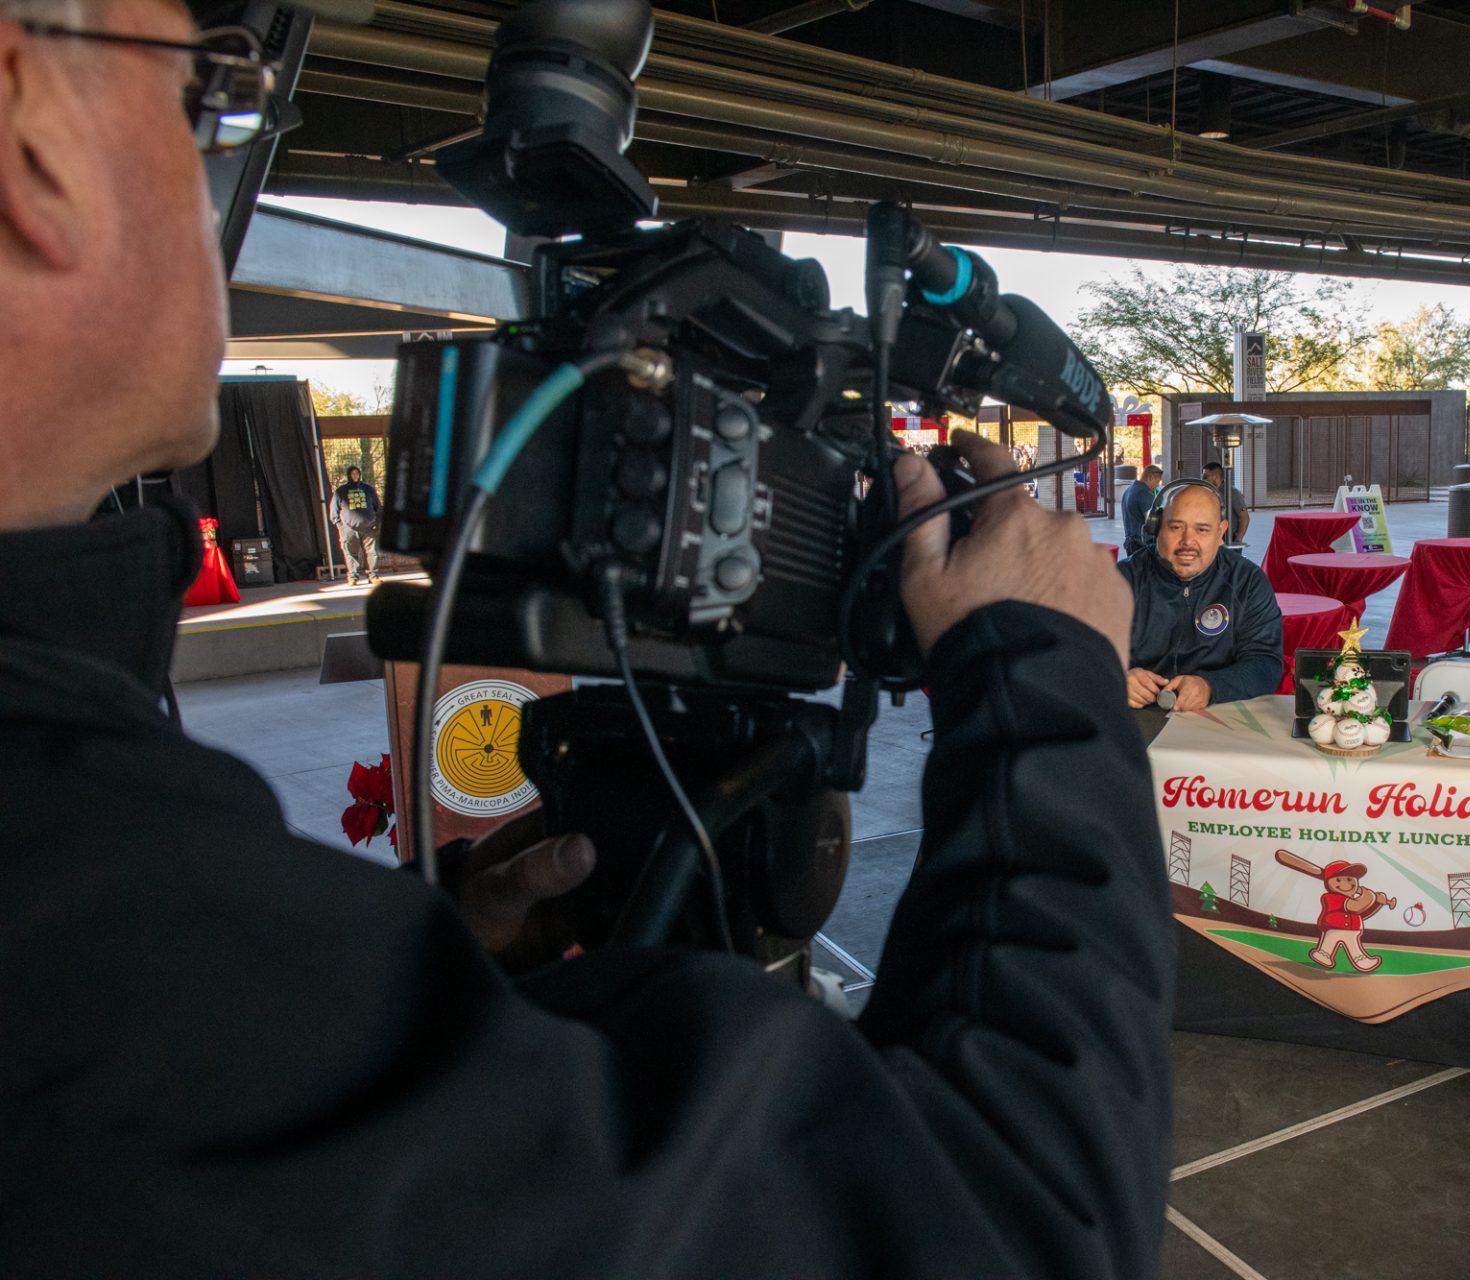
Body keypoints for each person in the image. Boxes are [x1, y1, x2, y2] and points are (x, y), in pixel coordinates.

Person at [0, 3, 1174, 1275]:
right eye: (204, 98)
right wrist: (1045, 674)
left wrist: (432, 992)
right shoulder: (69, 897)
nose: (210, 168)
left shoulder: (81, 821)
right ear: (34, 130)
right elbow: (1012, 1226)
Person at [1119, 481, 1285, 711]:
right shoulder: (1120, 582)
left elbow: (1265, 663)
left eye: (1202, 530)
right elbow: (1077, 656)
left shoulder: (1247, 582)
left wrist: (1211, 687)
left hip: (1219, 716)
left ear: (1221, 533)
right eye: (1176, 527)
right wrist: (1117, 678)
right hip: (1134, 721)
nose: (1188, 542)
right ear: (1156, 527)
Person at [328, 463, 380, 584]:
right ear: (349, 475)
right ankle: (353, 576)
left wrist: (377, 522)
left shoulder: (368, 489)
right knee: (351, 553)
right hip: (349, 529)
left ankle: (373, 575)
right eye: (353, 474)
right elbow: (333, 511)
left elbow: (377, 507)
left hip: (368, 527)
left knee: (372, 552)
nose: (355, 476)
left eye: (357, 473)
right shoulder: (341, 491)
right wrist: (341, 526)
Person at [1202, 461, 1250, 545]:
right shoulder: (1208, 492)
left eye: (1205, 476)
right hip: (1212, 537)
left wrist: (1238, 541)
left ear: (1216, 477)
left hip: (1229, 539)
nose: (1202, 479)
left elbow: (1244, 517)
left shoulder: (1233, 493)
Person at [1120, 462, 1162, 556]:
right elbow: (1153, 523)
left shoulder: (1128, 490)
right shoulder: (1144, 494)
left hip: (1130, 543)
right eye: (1157, 482)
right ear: (1151, 477)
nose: (1157, 485)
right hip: (1142, 545)